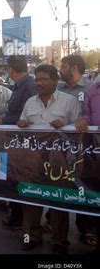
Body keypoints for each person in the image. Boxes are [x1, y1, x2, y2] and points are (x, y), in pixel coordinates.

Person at [17, 64, 80, 254]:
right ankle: (31, 237)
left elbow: (80, 129)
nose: (39, 83)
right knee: (30, 199)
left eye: (44, 79)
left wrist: (67, 125)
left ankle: (60, 242)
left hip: (59, 162)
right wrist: (22, 123)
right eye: (37, 79)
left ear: (55, 81)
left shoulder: (69, 101)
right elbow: (20, 125)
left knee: (59, 201)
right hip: (33, 160)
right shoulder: (30, 102)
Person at [0, 55, 36, 229]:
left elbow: (26, 115)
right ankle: (16, 215)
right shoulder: (19, 86)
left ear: (11, 69)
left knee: (20, 179)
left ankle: (22, 220)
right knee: (13, 178)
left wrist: (2, 120)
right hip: (14, 142)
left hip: (23, 143)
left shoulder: (28, 86)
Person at [57, 54, 95, 246]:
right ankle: (54, 225)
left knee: (84, 185)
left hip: (86, 148)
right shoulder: (58, 88)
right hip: (59, 146)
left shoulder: (91, 87)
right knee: (60, 183)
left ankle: (86, 227)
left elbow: (90, 115)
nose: (60, 69)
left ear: (73, 68)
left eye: (63, 66)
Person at [75, 80, 100, 252]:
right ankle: (88, 229)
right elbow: (87, 113)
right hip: (93, 148)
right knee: (89, 187)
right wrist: (83, 120)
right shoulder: (92, 88)